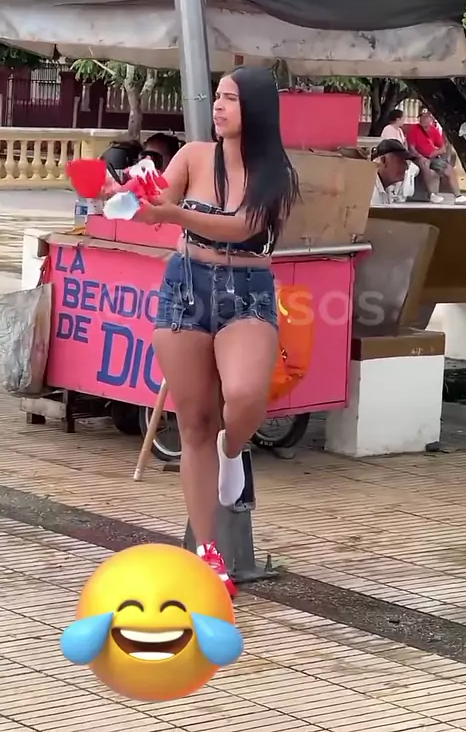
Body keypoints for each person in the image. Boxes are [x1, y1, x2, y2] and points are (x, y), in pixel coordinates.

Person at [134, 67, 299, 595]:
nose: (219, 106)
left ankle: (234, 451)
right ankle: (207, 555)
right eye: (218, 97)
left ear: (257, 108)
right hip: (184, 286)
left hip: (247, 291)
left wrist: (173, 212)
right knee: (195, 423)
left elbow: (243, 225)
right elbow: (151, 210)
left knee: (246, 395)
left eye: (232, 98)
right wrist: (128, 197)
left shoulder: (275, 171)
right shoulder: (192, 155)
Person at [408, 110, 466, 205]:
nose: (422, 119)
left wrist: (436, 152)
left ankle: (458, 196)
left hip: (433, 158)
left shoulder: (434, 130)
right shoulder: (414, 129)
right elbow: (411, 148)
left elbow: (442, 148)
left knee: (448, 169)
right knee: (424, 163)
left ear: (431, 119)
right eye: (421, 117)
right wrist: (420, 156)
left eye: (425, 117)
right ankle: (431, 194)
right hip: (418, 158)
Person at [381, 110, 418, 202]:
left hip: (400, 156)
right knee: (406, 169)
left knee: (414, 169)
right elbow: (392, 146)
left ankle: (399, 192)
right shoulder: (388, 129)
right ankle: (395, 192)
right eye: (403, 118)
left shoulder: (399, 130)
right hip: (391, 157)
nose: (404, 120)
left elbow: (403, 145)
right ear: (397, 119)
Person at [370, 139, 418, 206]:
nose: (406, 167)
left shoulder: (386, 189)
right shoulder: (369, 191)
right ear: (383, 160)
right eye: (400, 161)